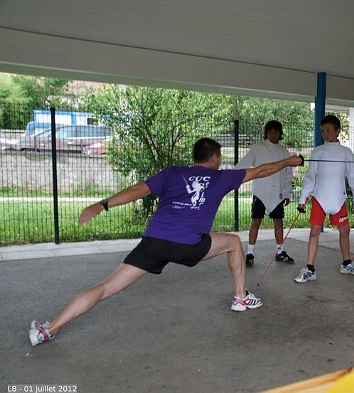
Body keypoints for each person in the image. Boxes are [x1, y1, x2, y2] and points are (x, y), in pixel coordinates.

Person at [29, 138, 302, 346]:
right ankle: (240, 298)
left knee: (104, 288)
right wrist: (289, 162)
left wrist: (103, 204)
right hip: (189, 245)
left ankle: (49, 329)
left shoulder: (172, 173)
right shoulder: (221, 176)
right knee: (233, 242)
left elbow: (138, 190)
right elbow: (263, 170)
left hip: (154, 242)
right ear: (216, 158)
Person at [294, 115, 354, 283]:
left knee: (345, 231)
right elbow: (311, 177)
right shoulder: (318, 151)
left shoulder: (346, 152)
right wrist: (303, 198)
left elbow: (353, 177)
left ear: (338, 131)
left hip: (339, 199)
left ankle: (347, 263)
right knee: (314, 232)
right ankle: (310, 269)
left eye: (329, 131)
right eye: (322, 131)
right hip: (319, 199)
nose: (325, 134)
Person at [235, 120, 294, 267]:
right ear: (266, 133)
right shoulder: (257, 148)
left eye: (276, 132)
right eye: (271, 131)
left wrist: (287, 193)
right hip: (260, 193)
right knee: (256, 222)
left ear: (280, 134)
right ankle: (250, 253)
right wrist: (231, 177)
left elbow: (288, 175)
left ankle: (280, 252)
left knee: (278, 222)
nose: (273, 134)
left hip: (277, 194)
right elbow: (242, 165)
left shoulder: (283, 151)